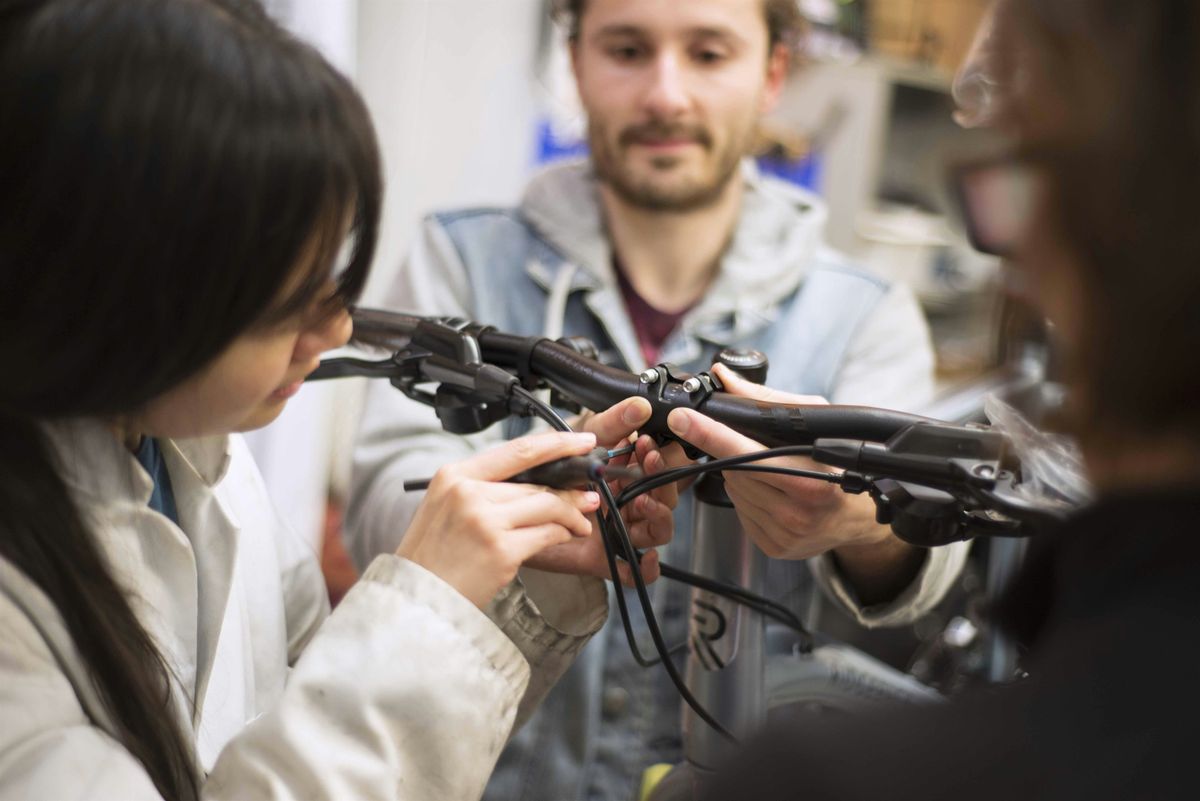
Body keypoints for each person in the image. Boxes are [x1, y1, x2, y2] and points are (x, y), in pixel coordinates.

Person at [0, 1, 674, 799]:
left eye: (331, 279)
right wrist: (426, 608)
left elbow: (326, 723)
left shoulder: (201, 457)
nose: (338, 330)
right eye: (287, 301)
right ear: (116, 283)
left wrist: (515, 582)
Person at [348, 0, 971, 797]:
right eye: (628, 50)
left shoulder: (862, 313)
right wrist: (545, 490)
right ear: (576, 61)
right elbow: (382, 508)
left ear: (772, 72)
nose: (665, 96)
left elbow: (928, 547)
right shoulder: (460, 261)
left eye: (708, 54)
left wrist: (862, 522)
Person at [698, 0, 1200, 798]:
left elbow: (907, 549)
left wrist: (864, 520)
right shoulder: (477, 256)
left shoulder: (861, 306)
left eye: (1007, 186)